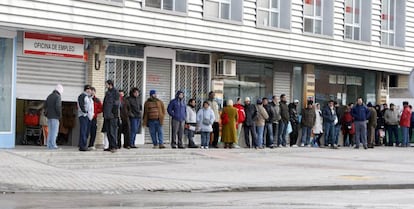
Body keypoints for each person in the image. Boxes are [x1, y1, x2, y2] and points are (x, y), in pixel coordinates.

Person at [103, 80, 120, 153]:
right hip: (107, 115)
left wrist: (113, 114)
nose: (105, 85)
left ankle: (114, 146)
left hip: (112, 116)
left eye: (106, 84)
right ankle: (110, 146)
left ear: (110, 85)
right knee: (108, 131)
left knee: (113, 131)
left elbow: (116, 104)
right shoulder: (107, 92)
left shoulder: (115, 92)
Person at [44, 84, 63, 150]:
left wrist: (47, 114)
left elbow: (45, 106)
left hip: (49, 117)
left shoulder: (49, 96)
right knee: (54, 132)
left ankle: (49, 145)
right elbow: (58, 107)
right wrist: (60, 115)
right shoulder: (58, 97)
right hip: (55, 117)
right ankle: (53, 145)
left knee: (50, 132)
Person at [77, 84, 94, 151]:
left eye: (90, 90)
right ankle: (82, 146)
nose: (90, 91)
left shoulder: (88, 97)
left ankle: (84, 145)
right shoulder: (82, 96)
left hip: (88, 116)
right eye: (89, 89)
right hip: (83, 116)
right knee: (83, 131)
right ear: (86, 89)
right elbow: (81, 105)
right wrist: (85, 112)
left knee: (86, 131)